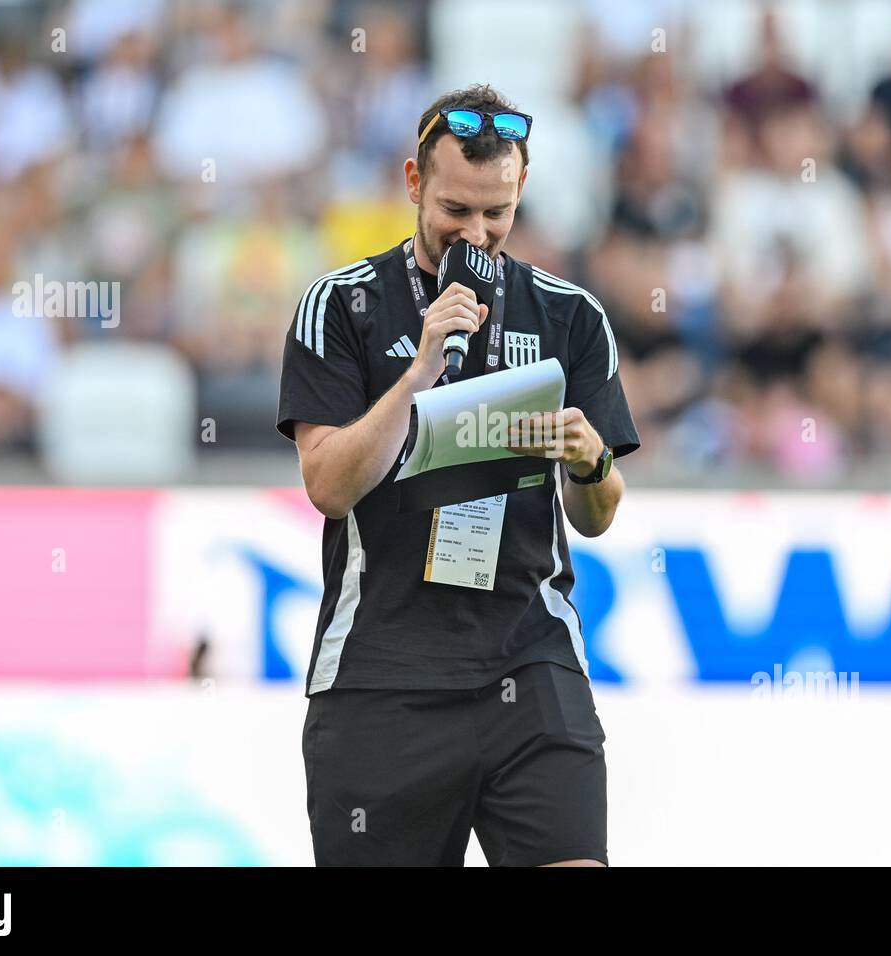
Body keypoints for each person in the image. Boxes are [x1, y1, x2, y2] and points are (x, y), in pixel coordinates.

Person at [277, 84, 639, 866]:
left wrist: (591, 460)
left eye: (496, 213)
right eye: (455, 210)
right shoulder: (343, 307)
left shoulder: (571, 316)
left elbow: (598, 516)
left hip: (530, 659)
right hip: (383, 675)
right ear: (413, 182)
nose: (476, 233)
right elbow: (327, 486)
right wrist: (416, 377)